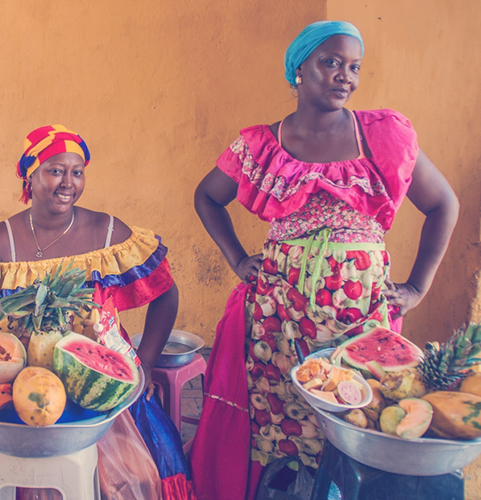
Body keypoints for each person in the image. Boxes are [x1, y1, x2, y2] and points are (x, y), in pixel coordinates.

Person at [189, 21, 459, 500]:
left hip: (361, 316)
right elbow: (208, 196)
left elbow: (444, 205)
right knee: (284, 422)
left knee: (358, 416)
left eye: (353, 67)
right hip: (277, 315)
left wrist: (418, 287)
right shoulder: (260, 146)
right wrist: (236, 259)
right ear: (298, 70)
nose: (344, 76)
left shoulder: (383, 136)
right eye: (330, 62)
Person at [0, 124, 179, 499]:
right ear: (30, 177)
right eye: (55, 170)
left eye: (77, 172)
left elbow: (166, 292)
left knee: (132, 475)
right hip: (20, 384)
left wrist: (143, 363)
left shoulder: (108, 231)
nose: (68, 183)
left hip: (100, 386)